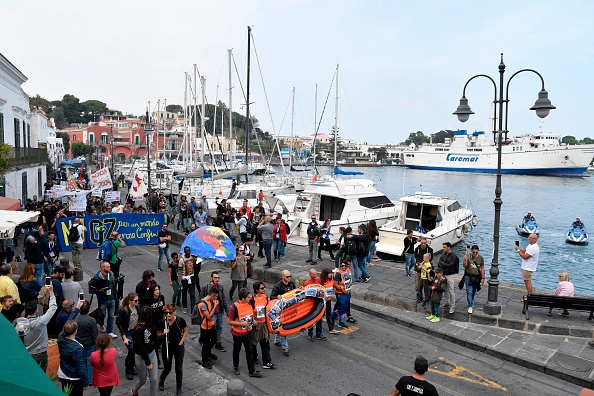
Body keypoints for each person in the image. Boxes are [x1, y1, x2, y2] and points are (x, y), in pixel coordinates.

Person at [13, 283, 57, 372]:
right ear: (36, 309)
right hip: (40, 353)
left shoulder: (19, 324)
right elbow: (53, 307)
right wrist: (51, 293)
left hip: (26, 353)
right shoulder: (41, 321)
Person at [227, 288, 262, 378]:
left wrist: (253, 322)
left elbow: (250, 316)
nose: (250, 298)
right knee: (236, 350)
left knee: (249, 351)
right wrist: (242, 324)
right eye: (248, 297)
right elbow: (229, 322)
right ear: (242, 298)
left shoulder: (249, 304)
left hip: (247, 332)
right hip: (237, 334)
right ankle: (235, 366)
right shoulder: (234, 307)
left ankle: (251, 370)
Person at [157, 304, 187, 395]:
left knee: (179, 369)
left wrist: (182, 341)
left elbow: (185, 330)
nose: (168, 315)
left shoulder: (180, 320)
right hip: (167, 347)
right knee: (167, 368)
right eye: (166, 313)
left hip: (178, 347)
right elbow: (157, 335)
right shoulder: (162, 322)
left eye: (170, 312)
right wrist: (163, 332)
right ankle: (161, 379)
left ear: (174, 312)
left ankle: (179, 389)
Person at [57, 320, 89, 396]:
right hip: (74, 377)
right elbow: (81, 367)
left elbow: (68, 321)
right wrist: (86, 382)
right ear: (75, 331)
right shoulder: (77, 349)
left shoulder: (61, 339)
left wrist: (76, 310)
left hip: (62, 371)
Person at [131, 306, 158, 396]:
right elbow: (141, 348)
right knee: (142, 380)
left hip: (152, 354)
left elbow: (155, 338)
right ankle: (134, 390)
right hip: (141, 357)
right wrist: (148, 362)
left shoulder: (151, 325)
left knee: (153, 379)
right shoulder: (138, 330)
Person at [250, 281, 277, 369]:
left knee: (265, 342)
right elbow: (249, 312)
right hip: (255, 324)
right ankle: (254, 357)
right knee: (253, 342)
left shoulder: (265, 297)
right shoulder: (252, 300)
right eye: (262, 288)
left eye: (264, 287)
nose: (264, 289)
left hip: (264, 323)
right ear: (256, 290)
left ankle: (267, 362)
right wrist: (253, 321)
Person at [200, 271, 229, 352]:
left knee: (219, 328)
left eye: (218, 278)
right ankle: (206, 342)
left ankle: (218, 343)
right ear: (211, 278)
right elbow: (201, 300)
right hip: (210, 313)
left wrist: (227, 310)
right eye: (215, 277)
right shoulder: (205, 287)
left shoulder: (220, 287)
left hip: (219, 311)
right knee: (211, 329)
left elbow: (223, 299)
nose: (217, 279)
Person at [270, 270, 296, 356]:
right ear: (282, 277)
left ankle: (277, 340)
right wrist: (277, 297)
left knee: (282, 326)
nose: (289, 278)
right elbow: (272, 297)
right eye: (287, 277)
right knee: (283, 327)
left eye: (290, 276)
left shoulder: (291, 284)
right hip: (281, 311)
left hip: (289, 309)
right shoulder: (277, 286)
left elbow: (295, 292)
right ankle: (285, 347)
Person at [75, 300, 98, 388]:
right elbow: (95, 334)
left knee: (81, 361)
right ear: (88, 309)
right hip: (89, 344)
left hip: (79, 343)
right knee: (89, 361)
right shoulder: (91, 320)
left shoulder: (76, 319)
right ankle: (89, 380)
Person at [116, 292, 140, 381]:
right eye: (135, 301)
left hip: (136, 331)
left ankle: (131, 367)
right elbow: (119, 324)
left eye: (138, 300)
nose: (137, 302)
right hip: (128, 332)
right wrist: (124, 337)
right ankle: (128, 369)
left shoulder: (138, 307)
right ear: (130, 301)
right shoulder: (124, 310)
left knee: (136, 350)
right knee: (131, 350)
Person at [92, 262, 119, 338]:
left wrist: (118, 279)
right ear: (102, 268)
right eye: (107, 267)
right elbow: (93, 288)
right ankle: (101, 325)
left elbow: (115, 281)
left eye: (109, 266)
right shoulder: (97, 277)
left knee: (111, 315)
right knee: (102, 315)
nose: (109, 268)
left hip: (112, 298)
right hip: (103, 299)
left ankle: (110, 331)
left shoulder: (111, 274)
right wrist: (98, 290)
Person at [198, 289, 219, 369]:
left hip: (211, 325)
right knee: (205, 344)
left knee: (214, 340)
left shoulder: (210, 302)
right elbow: (209, 316)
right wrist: (215, 306)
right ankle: (204, 361)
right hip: (205, 327)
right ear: (212, 295)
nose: (215, 298)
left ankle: (208, 352)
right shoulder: (203, 304)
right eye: (215, 296)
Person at [304, 269, 327, 342]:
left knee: (319, 319)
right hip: (311, 303)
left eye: (316, 274)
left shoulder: (318, 280)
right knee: (311, 319)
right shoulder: (307, 283)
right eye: (313, 274)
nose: (315, 275)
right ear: (310, 275)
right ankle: (310, 334)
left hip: (319, 302)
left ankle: (319, 334)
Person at [515, 233, 540, 299]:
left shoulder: (534, 248)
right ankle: (529, 294)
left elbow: (525, 256)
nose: (528, 239)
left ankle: (529, 296)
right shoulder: (530, 245)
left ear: (534, 239)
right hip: (526, 266)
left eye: (530, 238)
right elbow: (525, 251)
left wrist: (518, 250)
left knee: (527, 281)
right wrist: (519, 249)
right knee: (526, 281)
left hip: (528, 267)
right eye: (529, 237)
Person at [437, 242, 459, 314]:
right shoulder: (443, 255)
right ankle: (447, 302)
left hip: (450, 275)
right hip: (444, 274)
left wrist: (444, 264)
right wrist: (444, 265)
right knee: (445, 289)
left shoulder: (454, 256)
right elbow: (440, 263)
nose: (443, 248)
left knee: (451, 290)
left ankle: (453, 305)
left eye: (444, 247)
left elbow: (451, 265)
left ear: (449, 247)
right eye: (443, 247)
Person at [462, 245, 485, 314]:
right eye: (474, 252)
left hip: (476, 277)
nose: (475, 254)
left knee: (474, 291)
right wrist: (465, 260)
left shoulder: (481, 258)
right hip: (468, 277)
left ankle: (470, 301)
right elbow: (465, 266)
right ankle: (470, 306)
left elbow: (482, 268)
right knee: (469, 291)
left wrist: (483, 277)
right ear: (471, 251)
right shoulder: (468, 256)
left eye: (476, 252)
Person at [148, 284, 165, 369]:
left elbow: (163, 308)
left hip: (160, 321)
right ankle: (158, 360)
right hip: (152, 323)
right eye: (155, 290)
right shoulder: (149, 300)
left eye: (158, 289)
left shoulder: (161, 297)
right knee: (155, 340)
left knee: (162, 338)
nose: (157, 291)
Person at [333, 259, 353, 329]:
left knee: (344, 308)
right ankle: (333, 317)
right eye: (342, 266)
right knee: (341, 308)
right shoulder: (338, 273)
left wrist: (349, 285)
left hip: (347, 292)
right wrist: (342, 289)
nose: (343, 267)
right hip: (341, 293)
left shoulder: (347, 271)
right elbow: (335, 284)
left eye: (345, 266)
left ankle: (341, 321)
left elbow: (347, 281)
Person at [320, 268, 340, 335]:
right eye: (329, 273)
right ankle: (319, 327)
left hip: (328, 300)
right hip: (322, 301)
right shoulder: (321, 282)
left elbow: (336, 286)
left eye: (331, 273)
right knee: (320, 315)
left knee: (328, 314)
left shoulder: (331, 281)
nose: (330, 275)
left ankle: (331, 328)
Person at [414, 237, 434, 303]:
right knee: (417, 285)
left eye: (424, 243)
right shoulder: (417, 249)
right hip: (418, 270)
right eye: (422, 243)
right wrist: (418, 265)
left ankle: (427, 298)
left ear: (426, 243)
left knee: (426, 286)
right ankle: (419, 297)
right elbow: (416, 257)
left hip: (426, 272)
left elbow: (431, 259)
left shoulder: (430, 250)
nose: (423, 244)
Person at [179, 248, 197, 314]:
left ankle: (193, 309)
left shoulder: (192, 258)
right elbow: (179, 271)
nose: (188, 252)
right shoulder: (182, 260)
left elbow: (195, 267)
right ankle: (185, 307)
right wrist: (179, 281)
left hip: (191, 278)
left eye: (189, 250)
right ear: (184, 251)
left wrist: (195, 261)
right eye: (187, 250)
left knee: (192, 294)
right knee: (184, 294)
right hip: (184, 279)